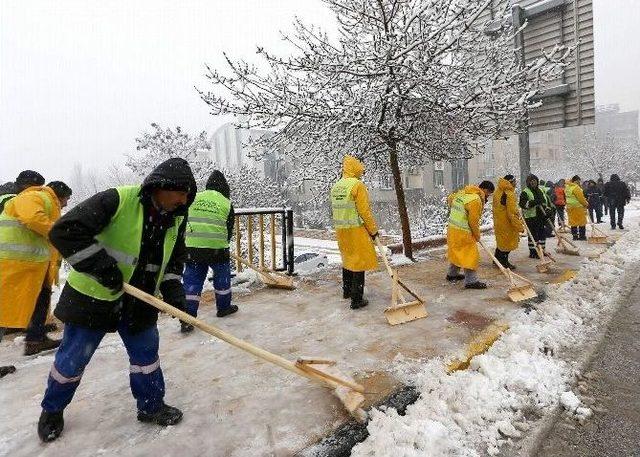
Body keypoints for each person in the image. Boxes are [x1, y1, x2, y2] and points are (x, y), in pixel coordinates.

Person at [37, 158, 196, 442]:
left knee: (146, 358)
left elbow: (174, 257)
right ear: (162, 187)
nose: (184, 201)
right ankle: (52, 409)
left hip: (141, 299)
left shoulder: (177, 216)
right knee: (73, 360)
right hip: (94, 297)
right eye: (181, 193)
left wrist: (174, 290)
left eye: (187, 196)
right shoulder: (118, 200)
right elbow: (65, 230)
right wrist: (100, 266)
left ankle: (151, 406)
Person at [0, 180, 71, 356]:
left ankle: (35, 339)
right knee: (3, 310)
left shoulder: (46, 202)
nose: (67, 203)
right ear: (59, 195)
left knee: (41, 299)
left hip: (30, 265)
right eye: (67, 199)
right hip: (12, 264)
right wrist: (58, 232)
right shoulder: (36, 196)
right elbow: (32, 218)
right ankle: (35, 339)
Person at [181, 170, 238, 333]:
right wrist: (222, 244)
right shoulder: (226, 203)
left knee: (191, 283)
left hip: (193, 248)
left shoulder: (195, 198)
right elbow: (229, 228)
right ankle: (223, 308)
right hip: (217, 249)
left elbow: (184, 220)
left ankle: (187, 319)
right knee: (222, 279)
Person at [331, 155, 378, 309]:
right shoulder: (357, 185)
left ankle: (347, 291)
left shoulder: (337, 186)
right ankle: (357, 299)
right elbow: (364, 211)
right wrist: (373, 231)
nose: (362, 172)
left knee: (348, 259)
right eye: (360, 169)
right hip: (356, 230)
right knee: (359, 261)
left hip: (341, 230)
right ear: (356, 168)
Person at [446, 180, 495, 289]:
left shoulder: (463, 193)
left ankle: (452, 274)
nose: (488, 197)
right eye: (489, 194)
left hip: (452, 229)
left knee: (457, 251)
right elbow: (473, 221)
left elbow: (450, 199)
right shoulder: (476, 200)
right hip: (463, 232)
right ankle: (471, 281)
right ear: (485, 190)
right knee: (470, 255)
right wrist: (477, 235)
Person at [492, 175, 524, 270]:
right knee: (507, 245)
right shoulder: (509, 194)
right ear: (510, 182)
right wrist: (519, 226)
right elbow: (512, 214)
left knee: (501, 243)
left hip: (498, 222)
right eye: (514, 181)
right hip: (507, 224)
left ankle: (496, 260)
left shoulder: (497, 191)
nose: (516, 183)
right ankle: (503, 263)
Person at [519, 174, 552, 258]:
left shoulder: (540, 191)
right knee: (533, 235)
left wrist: (548, 210)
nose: (533, 182)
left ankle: (542, 250)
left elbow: (545, 202)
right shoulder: (525, 192)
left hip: (541, 216)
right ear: (528, 182)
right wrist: (533, 202)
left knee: (542, 234)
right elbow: (523, 204)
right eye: (531, 181)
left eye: (535, 180)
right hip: (531, 217)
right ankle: (533, 252)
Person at [565, 175, 589, 240]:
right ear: (575, 181)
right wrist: (586, 204)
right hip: (578, 207)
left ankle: (575, 236)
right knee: (582, 222)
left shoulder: (568, 187)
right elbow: (581, 199)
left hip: (570, 207)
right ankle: (582, 236)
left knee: (573, 222)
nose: (579, 182)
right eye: (578, 181)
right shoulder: (576, 188)